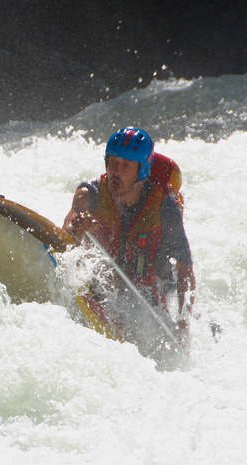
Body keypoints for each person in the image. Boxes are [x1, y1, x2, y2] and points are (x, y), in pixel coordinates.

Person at [62, 127, 196, 336]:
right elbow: (67, 230)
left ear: (142, 170)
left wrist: (183, 325)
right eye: (113, 162)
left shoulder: (165, 207)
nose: (116, 170)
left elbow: (185, 270)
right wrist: (77, 229)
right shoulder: (89, 194)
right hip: (105, 286)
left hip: (151, 294)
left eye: (126, 165)